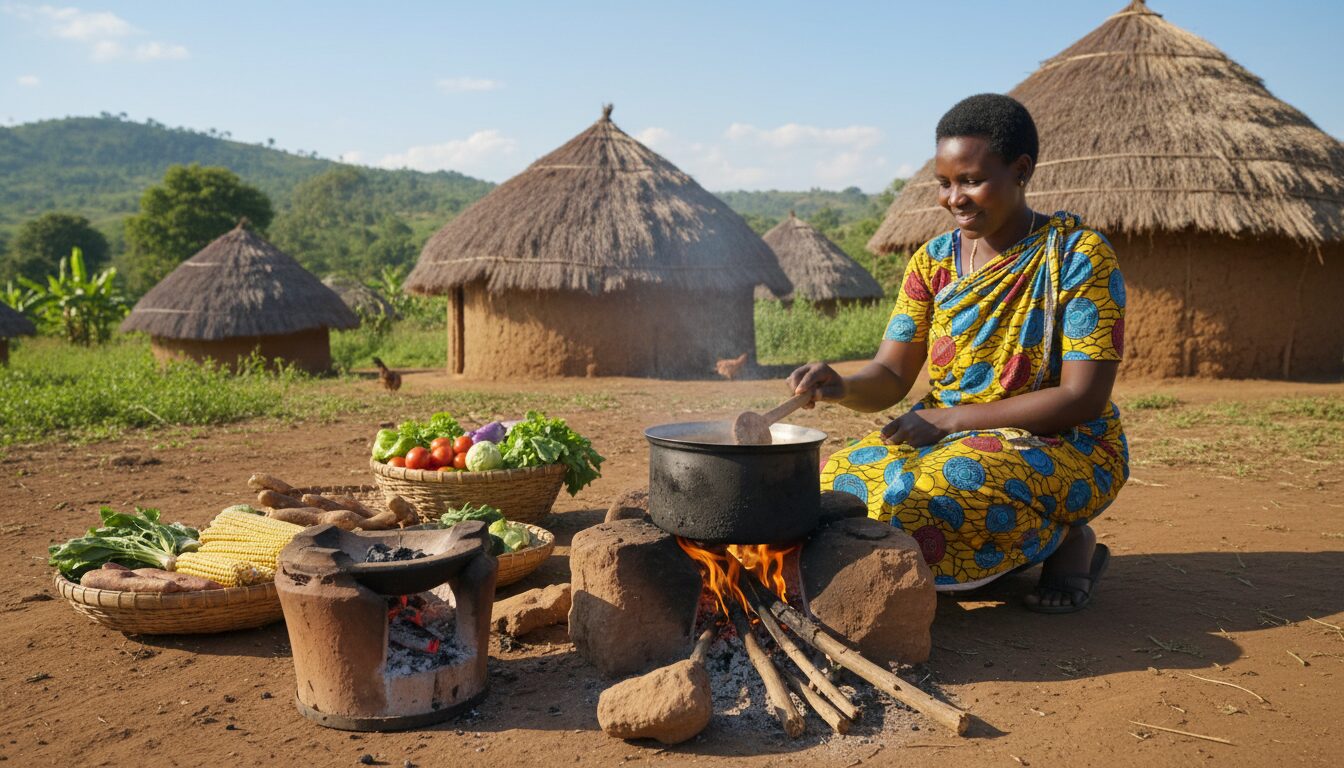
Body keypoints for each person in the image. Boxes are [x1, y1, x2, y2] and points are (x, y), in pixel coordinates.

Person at [789, 93, 1127, 613]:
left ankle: (1066, 542)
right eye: (944, 184)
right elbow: (890, 372)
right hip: (945, 435)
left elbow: (1083, 397)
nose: (955, 199)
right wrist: (843, 386)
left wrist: (951, 421)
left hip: (1062, 443)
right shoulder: (933, 263)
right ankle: (987, 565)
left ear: (1020, 170)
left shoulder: (1077, 256)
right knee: (836, 486)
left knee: (940, 496)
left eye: (970, 180)